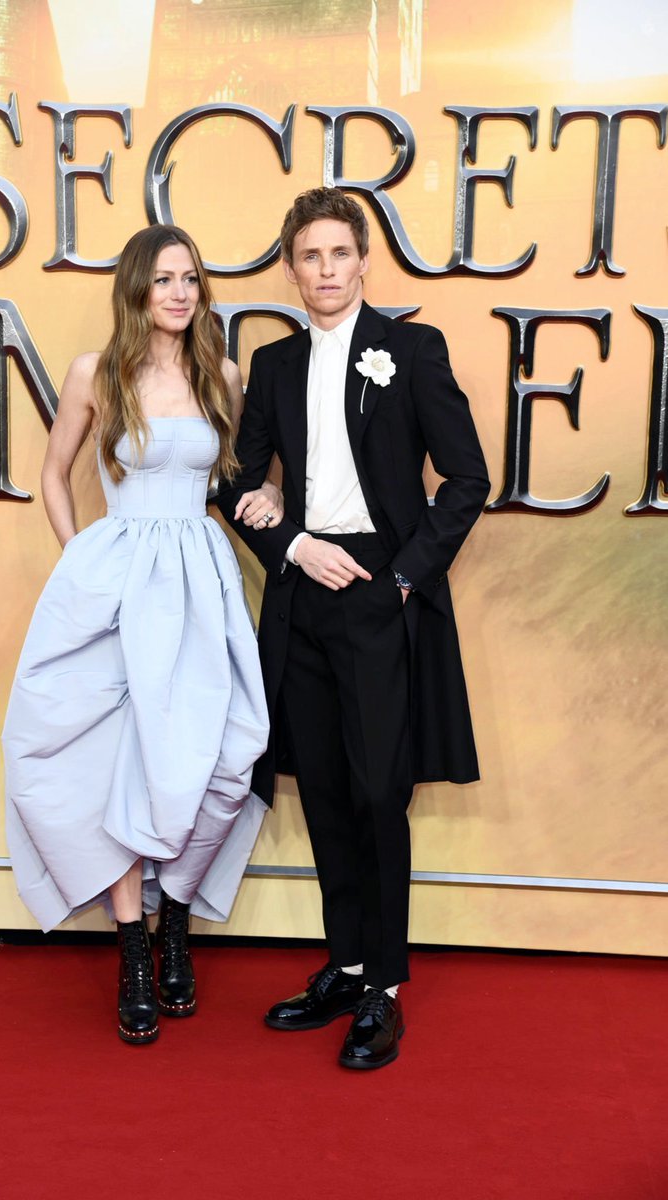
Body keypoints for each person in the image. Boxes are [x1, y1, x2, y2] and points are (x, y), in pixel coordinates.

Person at [216, 187, 490, 1071]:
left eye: (339, 253)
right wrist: (290, 542)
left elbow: (466, 478)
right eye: (309, 256)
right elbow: (235, 482)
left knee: (378, 792)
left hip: (379, 589)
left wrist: (404, 578)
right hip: (302, 593)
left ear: (364, 262)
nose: (325, 270)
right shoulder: (272, 364)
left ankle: (385, 989)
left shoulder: (411, 350)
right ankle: (345, 964)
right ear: (290, 269)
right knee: (326, 791)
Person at [3, 224, 281, 1046]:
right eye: (163, 279)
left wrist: (269, 494)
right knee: (116, 757)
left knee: (218, 750)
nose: (179, 292)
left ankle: (177, 924)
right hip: (116, 579)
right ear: (135, 287)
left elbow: (246, 474)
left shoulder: (221, 373)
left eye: (189, 278)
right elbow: (54, 473)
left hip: (200, 580)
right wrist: (79, 561)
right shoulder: (95, 372)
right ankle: (133, 947)